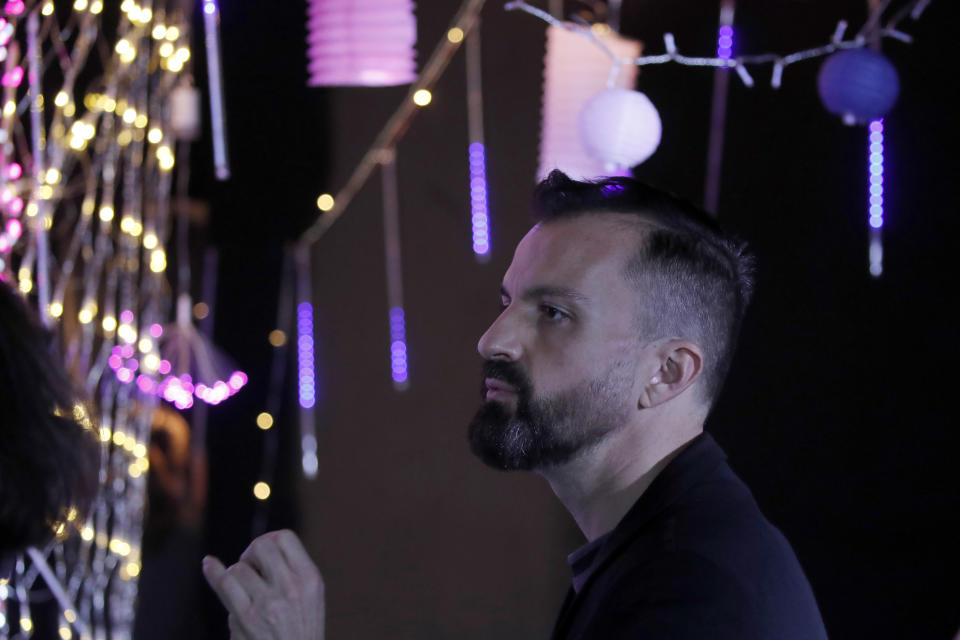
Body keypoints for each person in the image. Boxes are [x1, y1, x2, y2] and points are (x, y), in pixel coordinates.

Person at [202, 170, 828, 639]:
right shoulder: (655, 551)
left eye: (553, 313)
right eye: (508, 301)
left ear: (666, 374)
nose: (493, 339)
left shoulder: (694, 592)